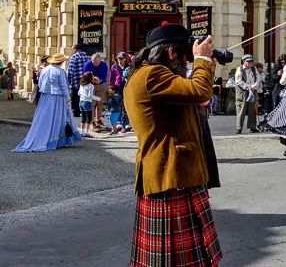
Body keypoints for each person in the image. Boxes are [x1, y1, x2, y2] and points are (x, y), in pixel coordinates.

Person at [125, 24, 222, 267]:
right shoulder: (152, 75)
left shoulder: (150, 75)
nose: (187, 63)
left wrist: (204, 66)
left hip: (175, 175)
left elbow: (193, 97)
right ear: (171, 54)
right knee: (174, 262)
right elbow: (199, 90)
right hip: (171, 177)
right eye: (184, 56)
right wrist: (201, 59)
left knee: (185, 259)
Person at [13, 53, 82, 152]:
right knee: (57, 118)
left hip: (45, 97)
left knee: (45, 118)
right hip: (57, 97)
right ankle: (56, 140)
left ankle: (45, 138)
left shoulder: (44, 70)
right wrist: (68, 98)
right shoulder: (60, 71)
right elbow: (63, 86)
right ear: (61, 62)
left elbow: (40, 84)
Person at [82, 53, 109, 131]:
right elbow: (84, 75)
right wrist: (92, 79)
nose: (95, 63)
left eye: (96, 62)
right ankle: (91, 122)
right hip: (90, 85)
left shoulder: (104, 65)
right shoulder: (87, 64)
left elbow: (104, 76)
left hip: (100, 85)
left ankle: (98, 120)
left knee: (100, 102)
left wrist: (99, 80)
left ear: (99, 59)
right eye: (93, 62)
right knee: (92, 103)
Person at [234, 54, 261, 134]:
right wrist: (247, 87)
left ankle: (252, 127)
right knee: (241, 109)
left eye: (251, 61)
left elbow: (258, 78)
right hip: (243, 91)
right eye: (248, 61)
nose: (250, 63)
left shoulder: (254, 68)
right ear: (244, 62)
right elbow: (238, 81)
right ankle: (239, 128)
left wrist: (253, 86)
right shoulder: (239, 69)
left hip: (253, 90)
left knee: (252, 109)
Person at [66, 44, 89, 116]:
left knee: (75, 97)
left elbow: (70, 71)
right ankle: (82, 111)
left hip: (75, 81)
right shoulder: (86, 57)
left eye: (72, 49)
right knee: (82, 97)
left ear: (75, 49)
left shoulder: (74, 57)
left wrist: (68, 81)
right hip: (85, 81)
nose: (72, 51)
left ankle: (76, 112)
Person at [77, 72, 99, 138]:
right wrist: (98, 99)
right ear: (90, 78)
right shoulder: (91, 86)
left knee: (83, 118)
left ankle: (82, 132)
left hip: (81, 102)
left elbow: (79, 93)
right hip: (87, 102)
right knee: (89, 119)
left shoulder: (81, 84)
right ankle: (86, 132)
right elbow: (90, 96)